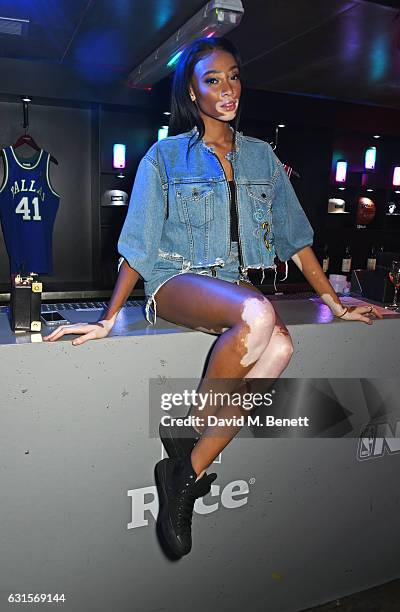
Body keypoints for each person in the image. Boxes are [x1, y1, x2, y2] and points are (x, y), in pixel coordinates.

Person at [44, 37, 382, 559]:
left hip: (231, 280)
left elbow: (296, 239)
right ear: (192, 92)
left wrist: (337, 304)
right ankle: (188, 438)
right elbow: (137, 244)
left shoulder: (262, 157)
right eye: (213, 80)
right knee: (256, 312)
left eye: (234, 76)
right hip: (175, 279)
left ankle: (185, 471)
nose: (227, 89)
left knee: (282, 349)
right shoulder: (165, 156)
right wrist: (108, 319)